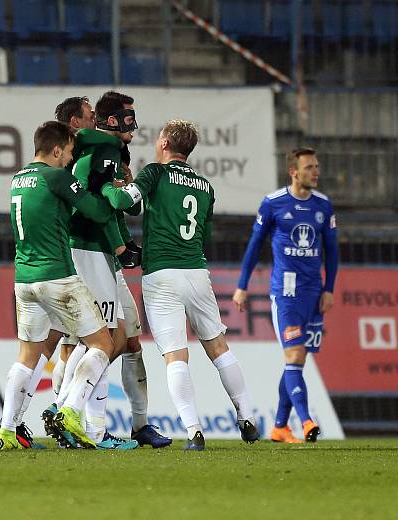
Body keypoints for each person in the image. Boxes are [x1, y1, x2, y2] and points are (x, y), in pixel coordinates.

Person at [48, 91, 171, 450]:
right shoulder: (100, 150)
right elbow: (103, 202)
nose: (135, 124)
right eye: (129, 117)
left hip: (104, 256)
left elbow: (104, 203)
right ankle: (76, 418)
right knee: (98, 341)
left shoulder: (98, 151)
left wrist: (121, 245)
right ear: (112, 121)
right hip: (88, 252)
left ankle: (125, 423)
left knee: (124, 340)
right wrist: (129, 192)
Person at [133, 120, 259, 451]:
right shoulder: (205, 185)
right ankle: (246, 416)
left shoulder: (154, 174)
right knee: (219, 348)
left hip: (161, 273)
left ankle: (194, 432)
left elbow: (127, 202)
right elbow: (206, 234)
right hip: (196, 272)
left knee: (176, 357)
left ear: (164, 143)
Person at [0, 121, 117, 450]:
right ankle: (73, 412)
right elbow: (98, 212)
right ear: (57, 149)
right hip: (57, 277)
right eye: (69, 153)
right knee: (103, 343)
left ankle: (7, 430)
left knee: (27, 355)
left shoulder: (18, 179)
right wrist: (113, 188)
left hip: (25, 280)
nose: (70, 160)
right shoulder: (58, 177)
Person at [232, 147, 337, 443]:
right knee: (294, 355)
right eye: (309, 167)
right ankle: (306, 422)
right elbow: (254, 246)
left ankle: (279, 427)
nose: (315, 172)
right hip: (286, 294)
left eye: (316, 166)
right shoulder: (274, 203)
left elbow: (333, 251)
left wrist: (329, 289)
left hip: (314, 295)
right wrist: (242, 286)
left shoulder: (324, 206)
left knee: (297, 361)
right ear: (293, 171)